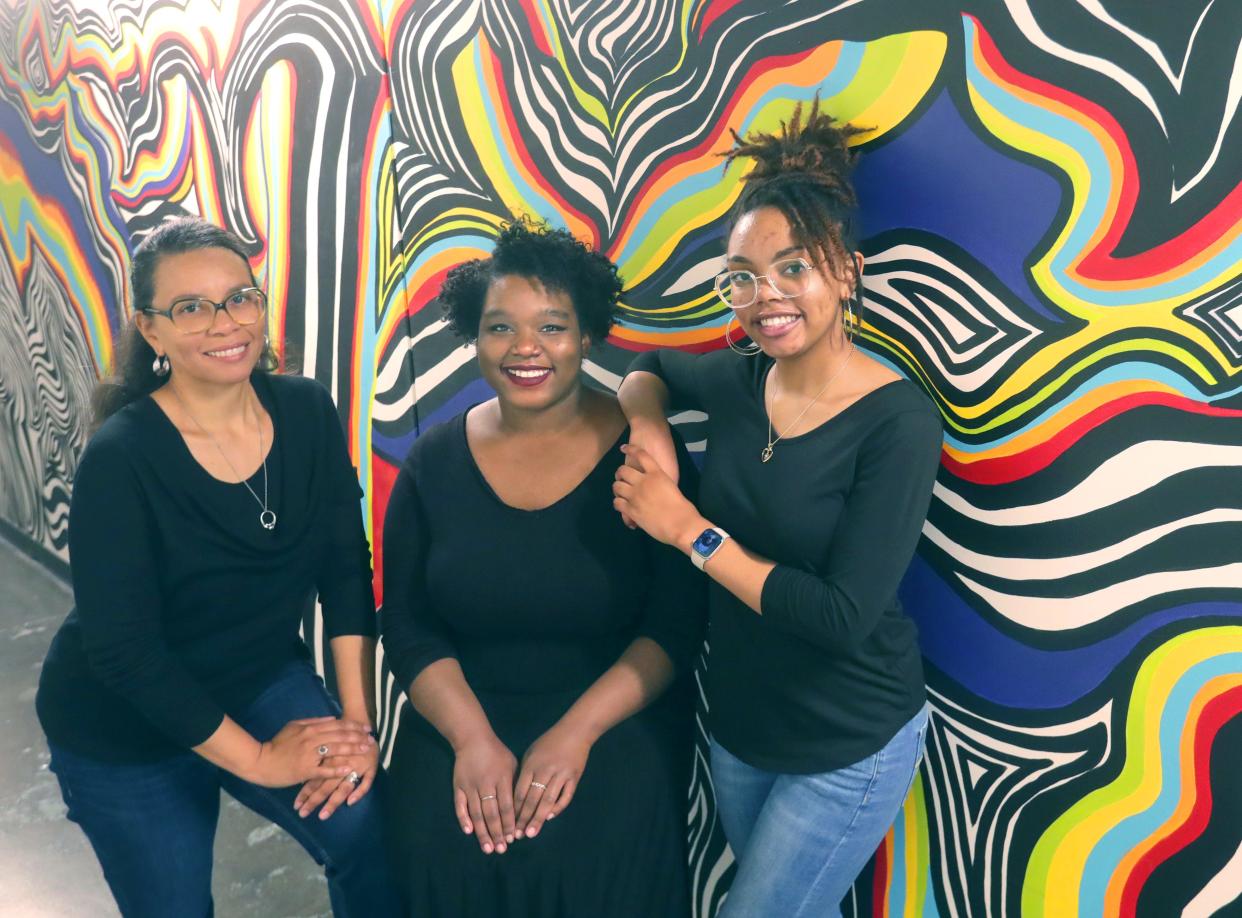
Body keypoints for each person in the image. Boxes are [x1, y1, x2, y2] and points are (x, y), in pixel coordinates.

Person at [611, 98, 943, 917]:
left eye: (794, 267)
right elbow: (643, 365)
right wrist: (647, 423)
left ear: (846, 272)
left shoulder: (898, 421)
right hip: (739, 731)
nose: (766, 296)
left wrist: (685, 529)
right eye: (744, 277)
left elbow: (840, 615)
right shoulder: (737, 381)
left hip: (848, 744)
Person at [36, 216, 402, 918]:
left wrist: (356, 724)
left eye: (239, 297)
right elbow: (126, 652)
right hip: (125, 728)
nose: (224, 322)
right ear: (152, 331)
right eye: (190, 308)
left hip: (256, 677)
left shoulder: (306, 410)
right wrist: (263, 761)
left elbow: (344, 568)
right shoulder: (121, 458)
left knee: (366, 829)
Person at [380, 218, 705, 917]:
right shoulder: (431, 464)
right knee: (437, 840)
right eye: (501, 327)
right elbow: (408, 627)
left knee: (585, 856)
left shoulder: (645, 457)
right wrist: (471, 740)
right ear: (475, 335)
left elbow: (675, 627)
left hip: (614, 713)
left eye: (552, 327)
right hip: (463, 709)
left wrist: (575, 735)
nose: (525, 348)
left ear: (586, 334)